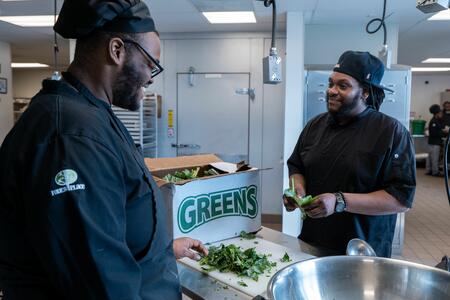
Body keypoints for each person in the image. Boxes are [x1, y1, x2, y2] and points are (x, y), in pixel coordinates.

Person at [0, 1, 207, 299]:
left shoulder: (92, 114)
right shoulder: (71, 139)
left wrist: (161, 250)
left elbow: (107, 228)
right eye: (150, 64)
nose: (151, 78)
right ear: (117, 50)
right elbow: (98, 281)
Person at [283, 51, 416, 258]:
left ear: (365, 93)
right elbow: (297, 166)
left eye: (342, 86)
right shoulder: (316, 125)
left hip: (362, 250)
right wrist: (297, 191)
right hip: (312, 242)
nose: (331, 91)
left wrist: (340, 201)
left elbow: (400, 199)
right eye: (331, 83)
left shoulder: (391, 132)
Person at [426, 104, 448, 176]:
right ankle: (435, 172)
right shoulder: (434, 122)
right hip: (435, 142)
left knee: (430, 157)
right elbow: (435, 133)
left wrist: (443, 129)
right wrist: (443, 132)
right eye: (440, 113)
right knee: (434, 158)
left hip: (431, 142)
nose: (441, 114)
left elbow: (439, 128)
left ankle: (429, 170)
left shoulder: (435, 121)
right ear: (437, 113)